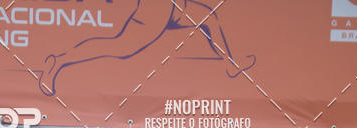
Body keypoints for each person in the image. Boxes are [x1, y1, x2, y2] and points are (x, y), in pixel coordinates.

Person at [38, 0, 255, 96]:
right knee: (119, 48)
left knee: (210, 18)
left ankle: (231, 64)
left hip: (174, 6)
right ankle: (59, 61)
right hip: (158, 7)